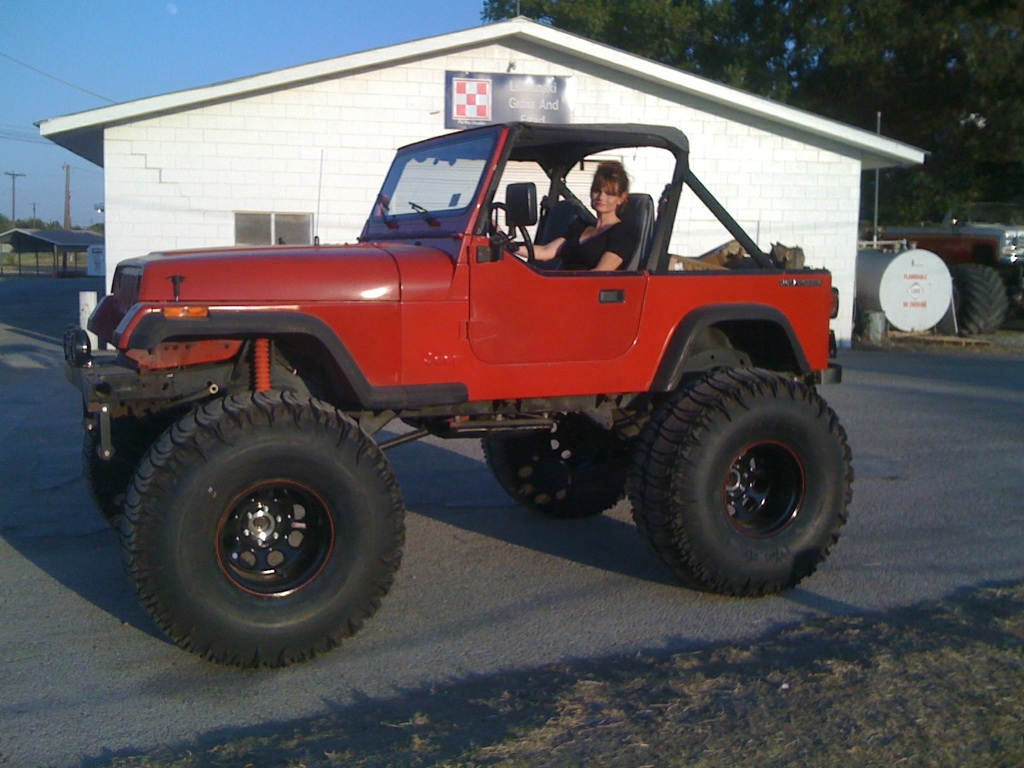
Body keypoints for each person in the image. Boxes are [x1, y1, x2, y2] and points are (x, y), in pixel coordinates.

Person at [518, 160, 636, 271]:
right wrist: (511, 246)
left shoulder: (623, 233)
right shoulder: (579, 226)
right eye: (597, 191)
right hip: (560, 282)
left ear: (621, 199)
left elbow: (600, 273)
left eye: (609, 194)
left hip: (586, 285)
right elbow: (545, 251)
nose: (601, 197)